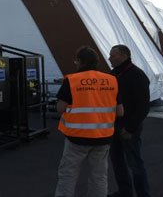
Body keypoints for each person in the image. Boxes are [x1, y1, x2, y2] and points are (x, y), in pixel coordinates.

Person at [54, 46, 123, 197]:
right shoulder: (111, 80)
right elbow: (120, 112)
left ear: (79, 61)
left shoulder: (72, 80)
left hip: (76, 139)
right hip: (103, 138)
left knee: (68, 175)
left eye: (76, 61)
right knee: (99, 177)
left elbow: (60, 108)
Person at [108, 45, 151, 197]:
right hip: (114, 125)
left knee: (135, 163)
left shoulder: (137, 75)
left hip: (129, 126)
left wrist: (130, 128)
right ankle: (124, 192)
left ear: (124, 55)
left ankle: (143, 194)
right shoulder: (113, 75)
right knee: (117, 161)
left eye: (113, 55)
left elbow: (143, 106)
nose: (109, 58)